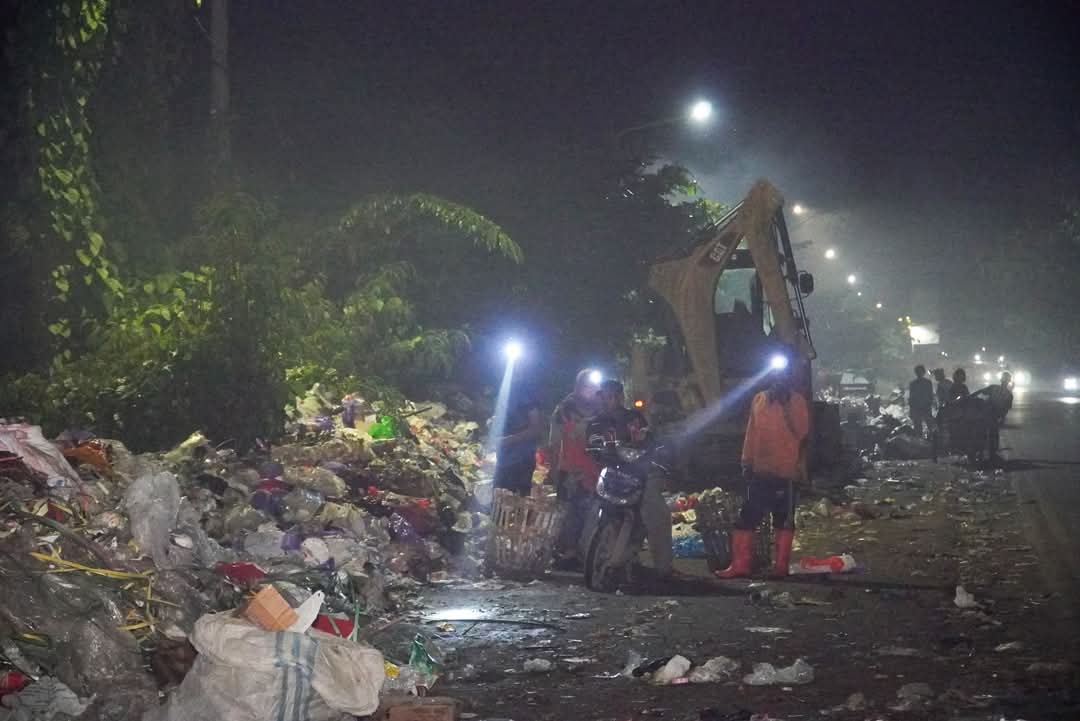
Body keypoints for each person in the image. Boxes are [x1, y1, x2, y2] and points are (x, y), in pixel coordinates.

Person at [716, 353, 809, 579]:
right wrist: (746, 460)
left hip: (786, 472)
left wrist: (785, 404)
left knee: (783, 521)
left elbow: (802, 432)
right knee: (746, 518)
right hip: (761, 470)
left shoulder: (796, 401)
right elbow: (751, 432)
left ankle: (780, 568)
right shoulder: (759, 399)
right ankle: (740, 565)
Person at [589, 380, 672, 578]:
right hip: (611, 475)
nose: (613, 400)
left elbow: (650, 441)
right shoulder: (596, 423)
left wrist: (655, 450)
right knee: (590, 511)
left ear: (622, 396)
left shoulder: (634, 418)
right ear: (602, 397)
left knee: (658, 513)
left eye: (617, 395)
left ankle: (664, 568)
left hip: (638, 475)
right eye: (608, 396)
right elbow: (592, 446)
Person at [549, 369, 601, 563]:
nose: (593, 391)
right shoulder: (564, 410)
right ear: (578, 388)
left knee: (591, 511)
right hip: (570, 469)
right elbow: (554, 442)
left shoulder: (601, 409)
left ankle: (586, 552)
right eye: (589, 387)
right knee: (570, 512)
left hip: (595, 469)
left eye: (595, 387)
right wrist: (554, 470)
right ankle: (567, 552)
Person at [492, 383, 545, 496]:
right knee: (499, 498)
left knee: (516, 501)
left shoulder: (527, 397)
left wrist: (506, 440)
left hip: (521, 460)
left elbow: (536, 429)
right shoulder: (506, 394)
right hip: (504, 459)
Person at [975, 371, 1013, 462]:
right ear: (1009, 381)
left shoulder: (994, 388)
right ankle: (990, 454)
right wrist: (1002, 418)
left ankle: (982, 453)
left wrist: (970, 397)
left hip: (988, 413)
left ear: (1001, 380)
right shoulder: (1008, 394)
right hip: (993, 415)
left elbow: (981, 392)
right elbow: (1006, 409)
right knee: (992, 434)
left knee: (984, 433)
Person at [908, 365, 934, 438]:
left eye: (920, 371)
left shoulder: (927, 383)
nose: (919, 373)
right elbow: (911, 397)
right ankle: (920, 442)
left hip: (925, 407)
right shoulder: (913, 384)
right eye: (918, 372)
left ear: (923, 372)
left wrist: (930, 403)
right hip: (918, 407)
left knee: (929, 426)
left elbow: (930, 395)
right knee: (918, 427)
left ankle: (931, 440)